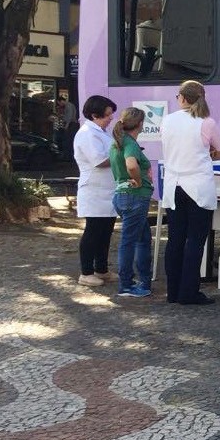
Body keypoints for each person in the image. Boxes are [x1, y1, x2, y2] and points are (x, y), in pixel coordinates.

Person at [160, 80, 220, 305]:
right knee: (196, 241)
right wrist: (208, 155)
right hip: (198, 186)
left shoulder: (167, 120)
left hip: (173, 184)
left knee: (175, 239)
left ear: (182, 98)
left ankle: (173, 291)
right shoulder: (207, 122)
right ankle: (189, 291)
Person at [109, 107, 154, 298]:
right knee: (129, 241)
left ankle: (144, 279)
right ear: (140, 124)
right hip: (135, 196)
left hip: (121, 195)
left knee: (143, 238)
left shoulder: (117, 142)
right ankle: (126, 284)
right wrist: (138, 179)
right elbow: (131, 164)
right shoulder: (130, 143)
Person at [73, 95, 118, 287]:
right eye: (107, 115)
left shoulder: (102, 132)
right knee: (93, 231)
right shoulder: (87, 134)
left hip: (108, 190)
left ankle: (101, 268)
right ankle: (86, 272)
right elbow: (99, 161)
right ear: (94, 115)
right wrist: (121, 157)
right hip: (94, 190)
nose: (110, 118)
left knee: (106, 231)